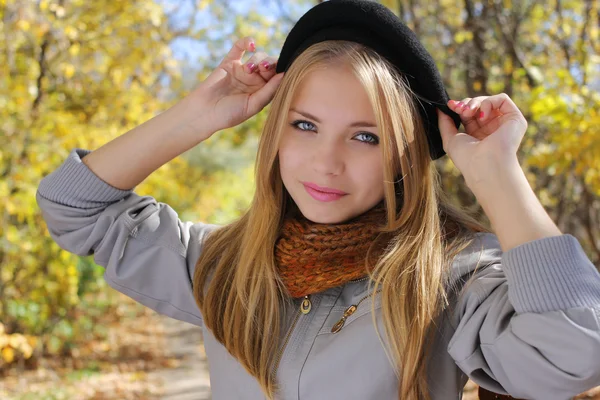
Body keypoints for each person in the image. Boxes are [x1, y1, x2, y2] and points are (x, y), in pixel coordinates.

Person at [36, 1, 600, 399]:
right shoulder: (224, 265)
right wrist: (201, 116)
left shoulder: (451, 279)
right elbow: (74, 206)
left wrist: (498, 173)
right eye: (304, 125)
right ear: (275, 131)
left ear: (404, 155)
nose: (327, 162)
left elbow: (573, 354)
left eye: (365, 136)